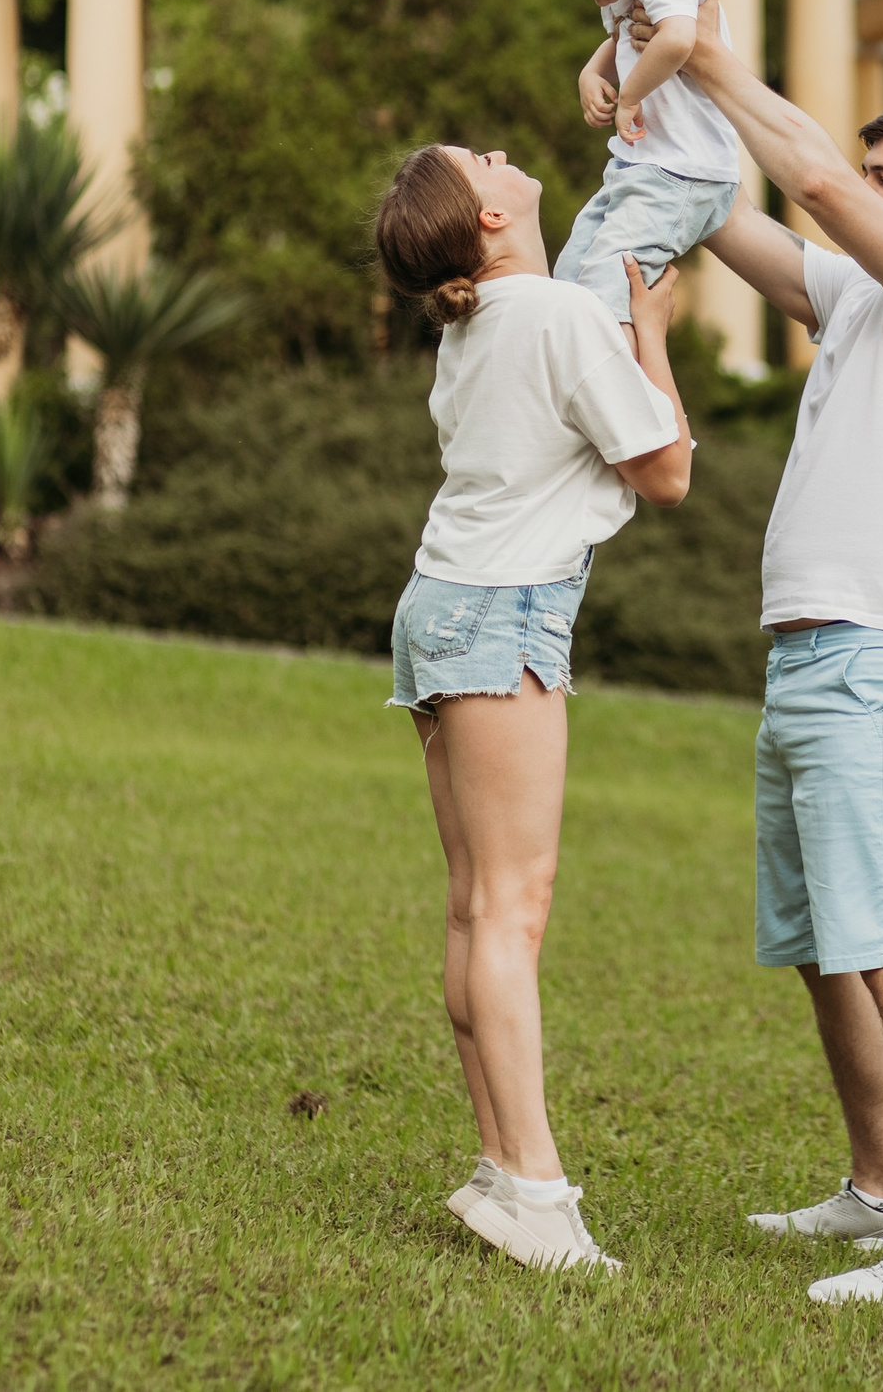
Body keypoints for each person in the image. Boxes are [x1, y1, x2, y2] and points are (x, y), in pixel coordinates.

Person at [650, 0, 883, 1310]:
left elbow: (796, 173)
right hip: (810, 658)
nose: (845, 195)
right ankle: (877, 1187)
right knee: (826, 941)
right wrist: (646, 101)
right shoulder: (858, 299)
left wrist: (711, 54)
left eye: (879, 180)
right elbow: (714, 210)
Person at [374, 141, 693, 1273]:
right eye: (485, 161)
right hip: (502, 614)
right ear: (490, 221)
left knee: (476, 908)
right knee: (512, 910)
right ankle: (538, 1195)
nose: (504, 154)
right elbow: (666, 472)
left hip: (443, 606)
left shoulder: (477, 326)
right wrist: (651, 330)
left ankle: (505, 1170)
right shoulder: (555, 314)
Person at [532, 0, 745, 327]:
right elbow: (619, 39)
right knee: (569, 280)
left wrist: (628, 97)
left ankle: (609, 388)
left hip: (682, 171)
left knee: (606, 291)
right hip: (639, 168)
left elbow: (677, 38)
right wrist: (592, 71)